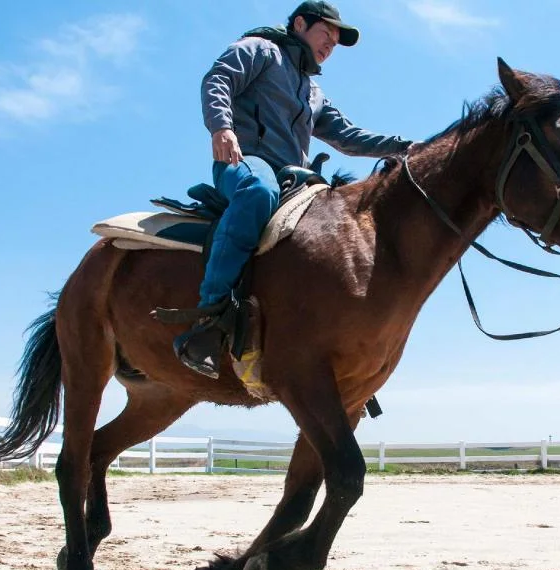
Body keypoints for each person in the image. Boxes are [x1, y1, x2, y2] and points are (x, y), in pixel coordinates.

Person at [174, 1, 416, 377]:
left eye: (336, 42)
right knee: (257, 192)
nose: (331, 45)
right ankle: (208, 322)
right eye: (327, 34)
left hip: (293, 176)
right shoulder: (260, 50)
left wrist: (403, 147)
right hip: (245, 163)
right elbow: (218, 79)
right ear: (300, 24)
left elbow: (348, 137)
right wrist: (222, 128)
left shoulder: (313, 92)